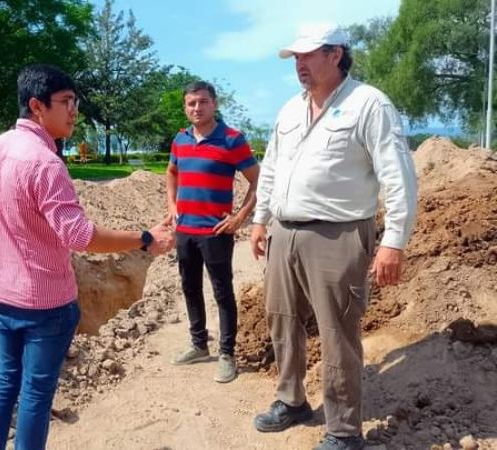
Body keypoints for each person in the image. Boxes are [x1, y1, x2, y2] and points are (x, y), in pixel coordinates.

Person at [0, 63, 174, 450]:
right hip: (44, 302)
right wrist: (145, 238)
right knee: (34, 394)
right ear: (37, 106)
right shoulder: (45, 163)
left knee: (4, 382)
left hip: (1, 293)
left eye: (75, 102)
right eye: (66, 102)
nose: (74, 112)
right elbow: (80, 235)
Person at [249, 23, 418, 450]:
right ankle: (291, 400)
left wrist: (393, 240)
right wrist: (260, 219)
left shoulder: (369, 104)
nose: (300, 65)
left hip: (338, 234)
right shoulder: (290, 110)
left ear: (336, 54)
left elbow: (398, 176)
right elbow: (270, 168)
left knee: (337, 331)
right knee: (282, 319)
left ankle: (343, 429)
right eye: (296, 58)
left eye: (308, 56)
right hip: (284, 233)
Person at [166, 81, 260, 383]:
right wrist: (171, 204)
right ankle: (198, 344)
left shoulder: (232, 140)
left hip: (215, 232)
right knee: (190, 287)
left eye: (203, 102)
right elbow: (171, 172)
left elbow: (259, 182)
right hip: (185, 230)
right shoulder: (180, 139)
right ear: (185, 107)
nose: (197, 108)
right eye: (191, 103)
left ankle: (226, 353)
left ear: (214, 104)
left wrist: (240, 217)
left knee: (222, 292)